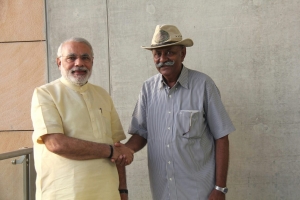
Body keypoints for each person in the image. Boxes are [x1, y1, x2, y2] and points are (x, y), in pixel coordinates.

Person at [125, 25, 236, 200]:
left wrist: (220, 188)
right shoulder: (147, 89)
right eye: (157, 54)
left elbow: (221, 137)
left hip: (200, 192)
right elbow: (141, 133)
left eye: (169, 52)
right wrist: (125, 150)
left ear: (182, 53)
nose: (163, 59)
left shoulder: (203, 85)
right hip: (163, 191)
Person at [31, 37, 133, 200]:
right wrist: (109, 151)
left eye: (85, 58)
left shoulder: (103, 95)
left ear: (92, 62)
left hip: (107, 193)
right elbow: (56, 143)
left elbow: (117, 146)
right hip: (65, 194)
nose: (79, 63)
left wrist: (123, 191)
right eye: (71, 58)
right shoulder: (45, 94)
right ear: (59, 62)